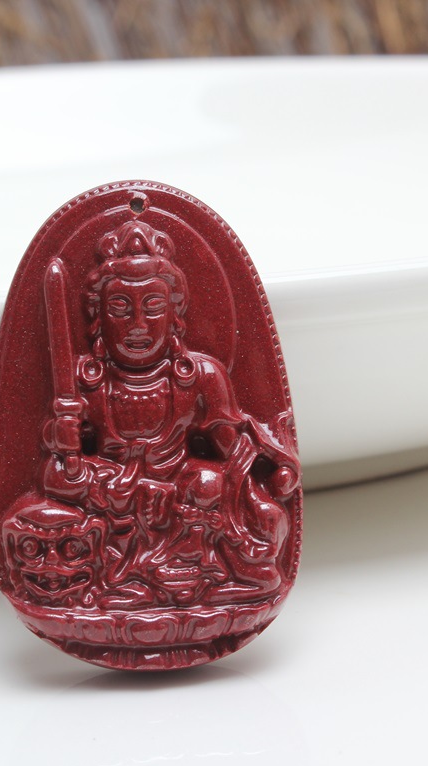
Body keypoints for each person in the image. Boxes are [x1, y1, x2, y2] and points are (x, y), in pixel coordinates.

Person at [37, 218, 300, 609]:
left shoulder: (201, 376)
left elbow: (232, 454)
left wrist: (272, 463)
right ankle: (131, 578)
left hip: (185, 505)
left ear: (175, 313)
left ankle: (202, 576)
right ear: (98, 316)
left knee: (210, 485)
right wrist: (64, 445)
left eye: (153, 307)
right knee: (56, 478)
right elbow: (59, 470)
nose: (138, 326)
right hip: (118, 500)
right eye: (120, 308)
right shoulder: (86, 381)